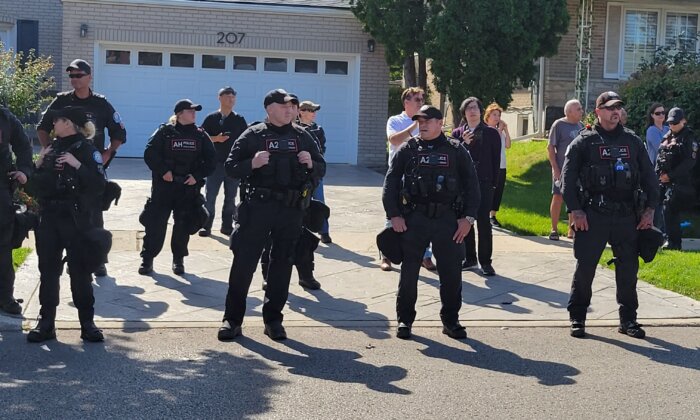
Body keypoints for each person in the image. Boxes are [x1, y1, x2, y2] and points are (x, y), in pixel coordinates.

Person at [218, 89, 326, 341]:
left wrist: (311, 163)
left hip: (290, 210)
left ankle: (273, 321)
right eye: (283, 105)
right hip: (258, 209)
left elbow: (321, 168)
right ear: (269, 109)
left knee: (282, 264)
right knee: (243, 264)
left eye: (292, 106)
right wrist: (251, 164)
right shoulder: (253, 135)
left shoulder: (303, 137)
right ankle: (232, 320)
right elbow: (230, 168)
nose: (289, 110)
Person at [561, 91, 659, 339]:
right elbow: (567, 181)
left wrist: (649, 210)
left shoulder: (632, 141)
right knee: (585, 268)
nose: (615, 112)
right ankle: (578, 318)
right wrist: (576, 211)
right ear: (598, 112)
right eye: (609, 108)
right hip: (593, 215)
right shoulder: (584, 142)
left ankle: (628, 320)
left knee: (628, 270)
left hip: (627, 217)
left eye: (618, 108)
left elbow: (650, 179)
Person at [383, 105, 480, 339]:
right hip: (414, 218)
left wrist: (468, 219)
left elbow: (472, 187)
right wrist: (393, 215)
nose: (422, 125)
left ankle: (451, 321)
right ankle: (405, 320)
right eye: (419, 121)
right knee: (408, 273)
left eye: (427, 121)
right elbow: (392, 182)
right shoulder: (409, 148)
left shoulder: (456, 150)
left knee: (451, 274)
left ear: (439, 123)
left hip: (448, 219)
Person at [37, 59, 127, 277]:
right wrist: (49, 150)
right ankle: (69, 255)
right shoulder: (61, 101)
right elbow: (42, 127)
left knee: (93, 212)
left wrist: (107, 153)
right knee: (65, 212)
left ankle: (97, 258)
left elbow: (119, 133)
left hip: (89, 166)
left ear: (89, 77)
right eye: (72, 76)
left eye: (79, 75)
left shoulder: (101, 103)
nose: (74, 79)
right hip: (63, 167)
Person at [27, 107, 107, 342]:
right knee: (48, 271)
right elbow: (32, 187)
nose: (54, 124)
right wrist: (38, 164)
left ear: (69, 123)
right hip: (49, 218)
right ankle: (46, 323)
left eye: (58, 120)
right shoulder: (51, 147)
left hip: (76, 219)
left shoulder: (86, 150)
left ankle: (87, 323)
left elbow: (99, 185)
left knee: (80, 273)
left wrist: (78, 166)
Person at [138, 99, 216, 275]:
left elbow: (211, 161)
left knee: (182, 225)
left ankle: (178, 260)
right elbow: (150, 153)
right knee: (155, 224)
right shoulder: (164, 132)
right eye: (190, 111)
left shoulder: (200, 135)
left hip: (187, 189)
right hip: (164, 187)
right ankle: (147, 259)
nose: (194, 114)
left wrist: (196, 176)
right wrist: (163, 170)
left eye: (195, 111)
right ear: (179, 114)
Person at [383, 87, 436, 272]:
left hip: (421, 176)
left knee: (423, 214)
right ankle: (388, 255)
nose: (421, 102)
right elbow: (394, 140)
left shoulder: (428, 122)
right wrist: (415, 125)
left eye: (422, 99)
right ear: (406, 102)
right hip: (398, 176)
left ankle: (426, 256)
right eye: (416, 99)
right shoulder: (395, 120)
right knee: (393, 215)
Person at [450, 97, 501, 276]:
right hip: (463, 185)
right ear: (464, 113)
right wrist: (464, 144)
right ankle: (469, 258)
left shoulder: (491, 133)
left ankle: (486, 261)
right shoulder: (457, 133)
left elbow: (496, 161)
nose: (472, 111)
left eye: (475, 108)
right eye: (468, 108)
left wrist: (494, 184)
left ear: (481, 111)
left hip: (484, 183)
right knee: (466, 221)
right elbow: (452, 160)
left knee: (484, 223)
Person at [199, 86, 248, 237]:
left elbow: (246, 140)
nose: (230, 99)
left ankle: (226, 226)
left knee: (230, 197)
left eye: (233, 96)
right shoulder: (211, 118)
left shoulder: (239, 119)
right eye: (227, 96)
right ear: (219, 98)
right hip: (215, 164)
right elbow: (200, 137)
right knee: (210, 196)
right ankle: (206, 226)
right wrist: (216, 139)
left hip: (232, 165)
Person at [0, 106, 33, 315]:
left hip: (1, 188)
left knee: (2, 248)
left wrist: (23, 170)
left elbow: (23, 146)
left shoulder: (6, 117)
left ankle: (5, 297)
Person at [656, 107, 698, 250]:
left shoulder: (688, 138)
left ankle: (673, 242)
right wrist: (659, 175)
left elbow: (689, 162)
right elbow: (660, 156)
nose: (672, 125)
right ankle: (669, 241)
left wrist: (670, 176)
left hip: (682, 182)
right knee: (665, 210)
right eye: (670, 123)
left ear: (683, 121)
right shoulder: (667, 136)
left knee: (669, 208)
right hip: (665, 181)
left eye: (675, 123)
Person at [547, 99, 584, 240]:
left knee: (574, 198)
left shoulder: (581, 126)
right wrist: (555, 168)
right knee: (558, 197)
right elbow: (550, 147)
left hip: (576, 170)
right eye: (578, 109)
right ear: (569, 112)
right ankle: (554, 229)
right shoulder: (559, 125)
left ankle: (571, 229)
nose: (581, 111)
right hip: (561, 169)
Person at [298, 100, 331, 244]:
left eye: (314, 111)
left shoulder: (318, 129)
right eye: (311, 111)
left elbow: (321, 150)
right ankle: (299, 229)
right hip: (299, 173)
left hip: (315, 172)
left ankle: (324, 231)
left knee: (319, 201)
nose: (314, 114)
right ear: (301, 112)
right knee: (300, 201)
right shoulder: (294, 128)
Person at [483, 103, 511, 227]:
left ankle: (493, 215)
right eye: (494, 115)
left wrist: (506, 130)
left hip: (501, 166)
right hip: (489, 166)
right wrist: (499, 130)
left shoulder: (500, 132)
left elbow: (508, 145)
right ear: (488, 116)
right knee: (489, 191)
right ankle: (484, 213)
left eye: (499, 115)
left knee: (498, 191)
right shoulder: (486, 131)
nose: (497, 117)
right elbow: (494, 142)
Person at [645, 103, 669, 231]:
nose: (661, 115)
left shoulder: (667, 129)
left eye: (663, 113)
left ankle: (665, 231)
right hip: (655, 170)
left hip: (668, 171)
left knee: (667, 202)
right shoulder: (651, 130)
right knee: (657, 202)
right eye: (658, 113)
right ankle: (655, 229)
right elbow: (660, 148)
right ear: (652, 115)